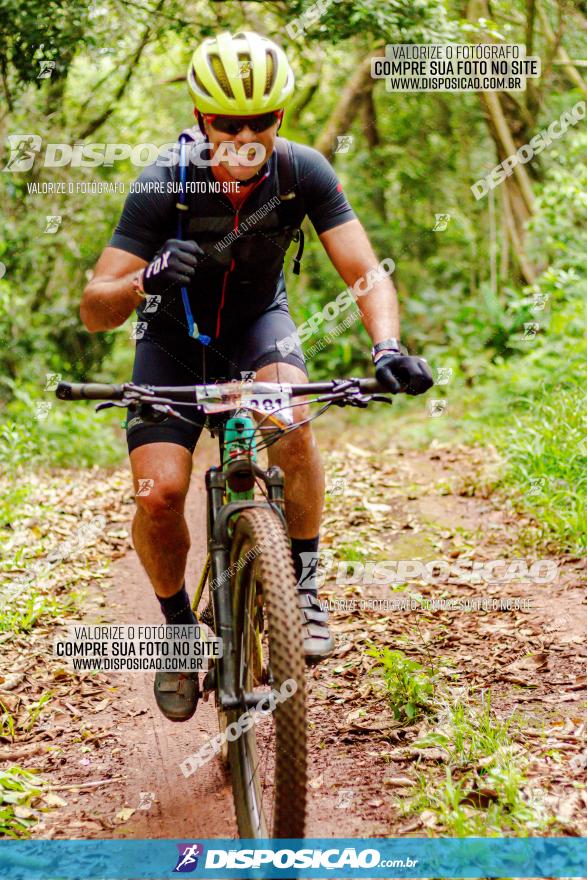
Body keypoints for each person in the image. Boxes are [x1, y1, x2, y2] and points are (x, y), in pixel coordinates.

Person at [80, 31, 433, 722]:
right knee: (161, 496)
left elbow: (364, 273)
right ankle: (180, 631)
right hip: (171, 345)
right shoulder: (162, 182)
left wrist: (386, 346)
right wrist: (145, 277)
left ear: (281, 119)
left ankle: (300, 583)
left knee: (290, 424)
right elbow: (95, 308)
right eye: (224, 124)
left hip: (256, 332)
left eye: (259, 122)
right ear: (198, 116)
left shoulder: (303, 172)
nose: (243, 138)